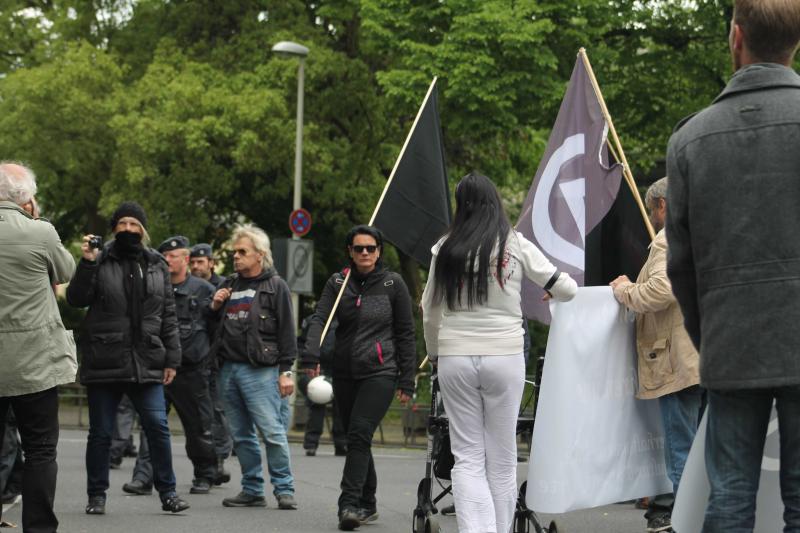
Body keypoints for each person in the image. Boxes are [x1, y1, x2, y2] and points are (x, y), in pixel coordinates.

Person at [665, 2, 800, 531]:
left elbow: (682, 264)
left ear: (736, 39)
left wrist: (710, 334)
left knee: (730, 499)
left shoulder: (690, 140)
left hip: (730, 342)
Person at [421, 172, 577, 533]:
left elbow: (429, 309)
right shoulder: (515, 243)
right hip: (505, 355)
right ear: (495, 201)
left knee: (468, 456)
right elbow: (566, 287)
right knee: (503, 459)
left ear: (461, 204)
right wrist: (554, 294)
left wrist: (435, 353)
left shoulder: (445, 247)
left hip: (456, 356)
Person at [66, 201, 190, 515]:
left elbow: (168, 315)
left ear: (143, 230)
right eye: (122, 225)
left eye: (134, 225)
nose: (128, 230)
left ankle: (169, 493)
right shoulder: (100, 259)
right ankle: (96, 495)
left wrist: (172, 359)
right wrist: (87, 262)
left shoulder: (156, 264)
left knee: (158, 427)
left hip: (147, 357)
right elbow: (77, 298)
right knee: (101, 433)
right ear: (113, 229)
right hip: (105, 357)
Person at [302, 224, 416, 531]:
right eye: (358, 248)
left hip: (381, 371)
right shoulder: (338, 283)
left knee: (358, 433)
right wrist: (311, 355)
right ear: (349, 252)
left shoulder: (394, 284)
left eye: (371, 248)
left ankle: (348, 505)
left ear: (379, 251)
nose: (365, 253)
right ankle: (369, 502)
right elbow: (320, 319)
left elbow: (406, 333)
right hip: (344, 372)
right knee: (358, 437)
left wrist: (407, 379)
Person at [610, 177, 705, 533]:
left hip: (674, 360)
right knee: (697, 450)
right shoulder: (700, 235)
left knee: (681, 451)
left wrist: (625, 290)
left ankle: (686, 523)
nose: (652, 216)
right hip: (697, 355)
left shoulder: (668, 240)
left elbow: (662, 291)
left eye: (652, 210)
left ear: (662, 205)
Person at [0, 162, 77, 533]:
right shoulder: (40, 232)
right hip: (34, 363)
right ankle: (39, 527)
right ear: (27, 198)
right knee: (41, 449)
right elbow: (65, 272)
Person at [122, 236, 220, 496]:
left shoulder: (202, 290)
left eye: (173, 256)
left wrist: (209, 363)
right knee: (151, 424)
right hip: (157, 367)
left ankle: (205, 474)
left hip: (191, 370)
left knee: (198, 426)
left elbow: (215, 330)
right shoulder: (153, 286)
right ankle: (143, 477)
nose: (167, 260)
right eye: (164, 255)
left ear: (185, 259)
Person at [209, 224, 298, 510]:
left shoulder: (276, 286)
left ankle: (284, 489)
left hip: (260, 370)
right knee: (241, 435)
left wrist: (286, 372)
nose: (236, 257)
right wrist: (213, 306)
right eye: (235, 252)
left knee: (271, 432)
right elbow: (211, 328)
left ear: (260, 255)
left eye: (242, 252)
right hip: (228, 370)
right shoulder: (229, 283)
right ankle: (252, 489)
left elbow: (287, 333)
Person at [190, 242, 232, 481]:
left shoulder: (224, 286)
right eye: (193, 262)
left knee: (216, 410)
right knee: (200, 412)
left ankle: (219, 459)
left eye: (201, 262)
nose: (196, 266)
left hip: (217, 358)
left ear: (211, 263)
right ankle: (205, 462)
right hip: (195, 356)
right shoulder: (188, 286)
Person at [297, 315, 347, 457]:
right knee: (316, 404)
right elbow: (301, 343)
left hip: (340, 368)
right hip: (317, 368)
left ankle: (341, 443)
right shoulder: (313, 320)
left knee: (341, 407)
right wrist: (308, 361)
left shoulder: (347, 316)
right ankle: (311, 444)